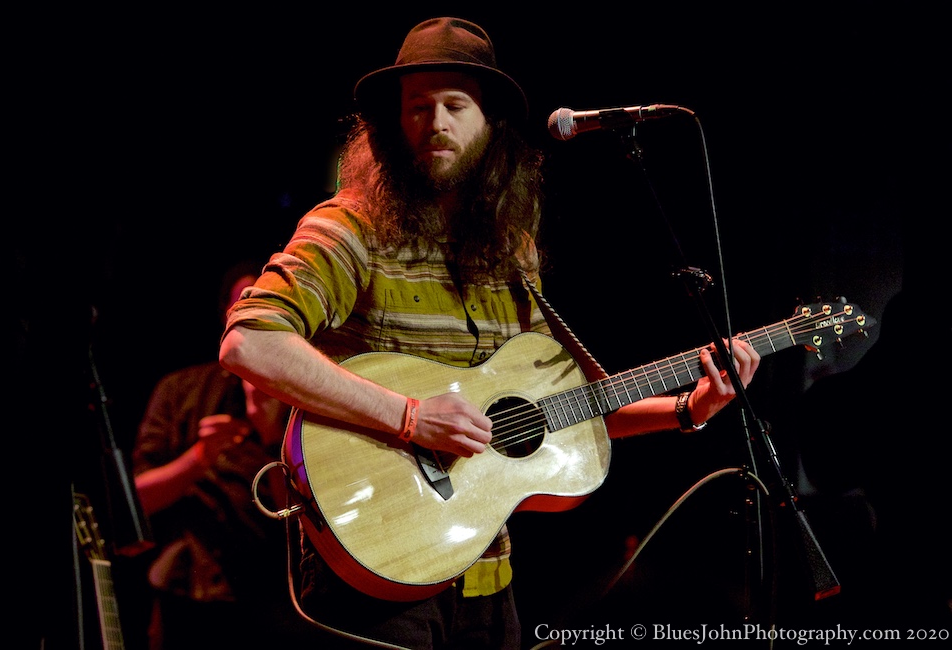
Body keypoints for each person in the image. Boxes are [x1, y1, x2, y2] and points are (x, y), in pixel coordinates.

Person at [218, 17, 760, 649]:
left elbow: (549, 414)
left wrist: (688, 409)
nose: (436, 123)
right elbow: (249, 342)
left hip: (486, 570)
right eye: (418, 107)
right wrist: (409, 416)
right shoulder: (348, 229)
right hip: (374, 560)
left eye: (455, 106)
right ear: (392, 124)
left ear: (491, 126)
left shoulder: (511, 252)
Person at [132, 261, 309, 649]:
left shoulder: (305, 396)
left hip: (274, 601)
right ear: (227, 313)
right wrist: (198, 459)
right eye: (245, 300)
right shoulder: (181, 389)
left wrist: (270, 435)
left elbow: (299, 520)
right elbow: (136, 499)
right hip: (188, 593)